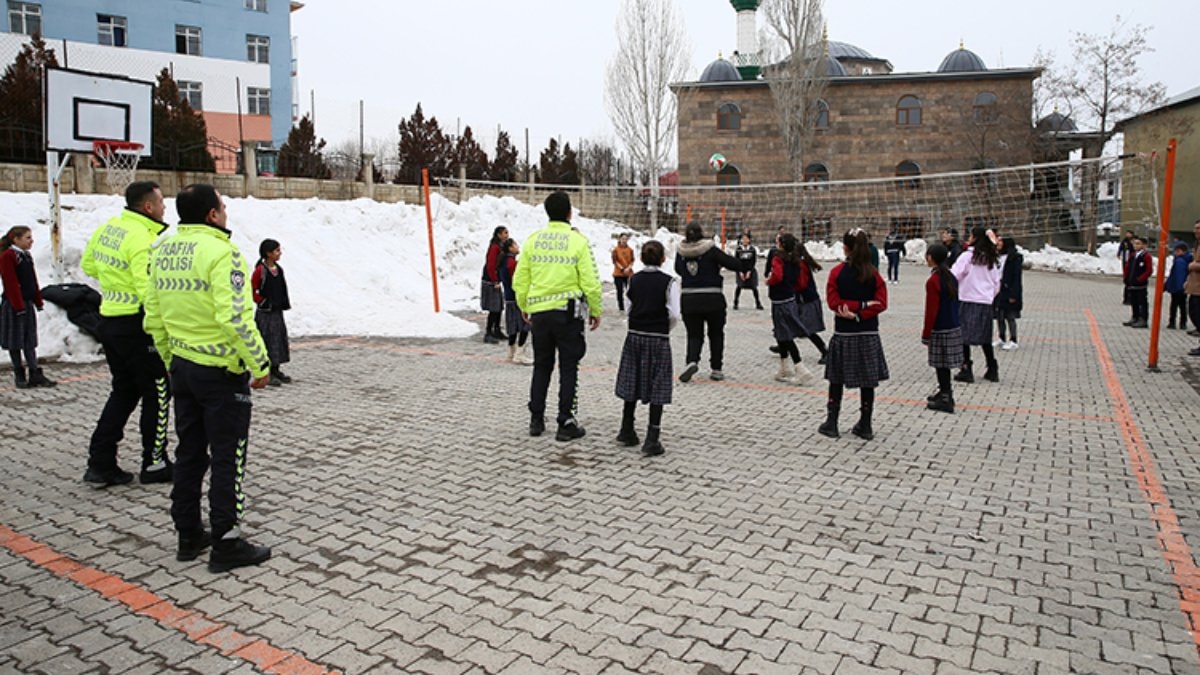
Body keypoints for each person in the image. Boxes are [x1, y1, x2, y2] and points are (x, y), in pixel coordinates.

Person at [143, 184, 272, 573]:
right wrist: (260, 363)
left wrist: (170, 358)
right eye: (222, 204)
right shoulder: (222, 252)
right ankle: (226, 541)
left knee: (188, 453)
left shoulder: (162, 249)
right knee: (228, 457)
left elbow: (153, 312)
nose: (226, 208)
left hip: (182, 367)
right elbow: (233, 317)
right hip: (219, 374)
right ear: (212, 215)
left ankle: (188, 533)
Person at [81, 181, 171, 487]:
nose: (164, 207)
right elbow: (147, 290)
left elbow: (89, 264)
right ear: (147, 207)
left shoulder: (110, 228)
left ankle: (100, 461)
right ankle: (155, 462)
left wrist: (114, 282)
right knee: (158, 391)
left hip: (110, 321)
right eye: (160, 202)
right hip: (137, 325)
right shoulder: (143, 240)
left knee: (123, 391)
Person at [513, 191, 602, 441]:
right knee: (569, 366)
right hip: (568, 314)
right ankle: (566, 421)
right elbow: (591, 281)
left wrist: (524, 305)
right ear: (569, 213)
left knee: (542, 365)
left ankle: (536, 418)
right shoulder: (578, 242)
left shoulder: (533, 241)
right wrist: (595, 310)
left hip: (540, 314)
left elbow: (520, 279)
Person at [819, 229, 888, 440]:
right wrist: (863, 308)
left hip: (844, 333)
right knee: (868, 381)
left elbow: (834, 303)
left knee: (836, 379)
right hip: (867, 332)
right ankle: (865, 424)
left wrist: (853, 312)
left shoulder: (837, 272)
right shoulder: (874, 273)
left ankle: (832, 422)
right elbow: (880, 304)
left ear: (845, 247)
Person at [615, 240, 680, 457]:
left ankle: (626, 429)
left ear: (641, 258)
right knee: (658, 383)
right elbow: (674, 314)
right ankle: (652, 438)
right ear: (663, 259)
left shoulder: (634, 280)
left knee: (631, 378)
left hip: (635, 335)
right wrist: (664, 329)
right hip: (658, 337)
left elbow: (629, 307)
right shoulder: (669, 282)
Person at [675, 222, 745, 382]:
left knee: (693, 334)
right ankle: (716, 368)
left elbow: (678, 269)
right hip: (713, 298)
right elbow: (734, 264)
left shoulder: (681, 252)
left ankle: (692, 361)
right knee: (716, 334)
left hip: (689, 299)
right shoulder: (710, 249)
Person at [0, 226, 55, 389]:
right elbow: (11, 283)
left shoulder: (26, 256)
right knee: (15, 340)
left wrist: (37, 300)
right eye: (27, 238)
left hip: (26, 302)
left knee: (29, 340)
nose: (31, 241)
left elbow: (32, 280)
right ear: (16, 239)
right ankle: (19, 373)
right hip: (14, 304)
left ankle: (34, 372)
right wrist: (18, 305)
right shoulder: (8, 256)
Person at [951, 227, 1003, 383]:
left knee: (964, 336)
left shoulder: (967, 256)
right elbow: (996, 282)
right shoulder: (991, 258)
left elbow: (955, 274)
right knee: (984, 336)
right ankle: (992, 367)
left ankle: (966, 368)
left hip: (967, 298)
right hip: (985, 301)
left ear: (973, 237)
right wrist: (989, 296)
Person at [766, 234, 816, 385]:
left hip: (780, 301)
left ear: (781, 244)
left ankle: (801, 368)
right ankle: (784, 367)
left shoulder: (777, 258)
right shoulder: (795, 260)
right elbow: (799, 282)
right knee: (781, 334)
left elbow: (777, 276)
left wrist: (769, 281)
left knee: (786, 336)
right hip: (790, 299)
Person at [922, 244, 963, 413]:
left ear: (931, 257)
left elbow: (931, 309)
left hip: (940, 326)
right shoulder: (950, 276)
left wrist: (926, 333)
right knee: (944, 363)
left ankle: (946, 397)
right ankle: (945, 391)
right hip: (953, 323)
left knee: (940, 363)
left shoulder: (934, 280)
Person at [251, 238, 292, 386]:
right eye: (277, 251)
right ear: (268, 253)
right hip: (265, 313)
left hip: (276, 311)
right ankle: (266, 371)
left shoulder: (278, 270)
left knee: (277, 340)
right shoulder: (260, 271)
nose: (279, 253)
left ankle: (276, 369)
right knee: (266, 340)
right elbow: (252, 289)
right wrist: (262, 301)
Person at [499, 237, 531, 365]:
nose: (518, 247)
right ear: (510, 248)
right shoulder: (512, 264)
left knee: (512, 325)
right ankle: (520, 353)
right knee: (525, 325)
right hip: (516, 297)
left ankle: (511, 351)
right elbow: (518, 281)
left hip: (508, 297)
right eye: (515, 245)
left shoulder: (502, 262)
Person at [994, 236, 1024, 350]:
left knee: (1010, 316)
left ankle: (1013, 339)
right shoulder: (998, 256)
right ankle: (1001, 338)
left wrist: (1013, 294)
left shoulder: (1014, 258)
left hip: (1009, 289)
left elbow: (1016, 278)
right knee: (999, 315)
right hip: (998, 289)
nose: (998, 243)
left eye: (1001, 241)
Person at [480, 226, 508, 343]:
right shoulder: (494, 247)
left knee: (499, 307)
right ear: (498, 234)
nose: (507, 235)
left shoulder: (501, 246)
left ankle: (497, 329)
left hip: (496, 279)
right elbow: (491, 264)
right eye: (505, 233)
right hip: (490, 280)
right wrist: (495, 280)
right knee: (493, 307)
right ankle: (488, 332)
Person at [1122, 237, 1152, 329]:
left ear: (1143, 245)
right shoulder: (1132, 255)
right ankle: (1135, 317)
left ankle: (1143, 319)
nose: (1136, 245)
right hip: (1131, 283)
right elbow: (1127, 267)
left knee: (1142, 302)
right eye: (1135, 243)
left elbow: (1149, 270)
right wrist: (1126, 277)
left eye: (1138, 244)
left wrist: (1140, 279)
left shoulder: (1146, 256)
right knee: (1134, 301)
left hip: (1140, 285)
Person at [733, 232, 763, 310]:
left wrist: (749, 271)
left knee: (754, 287)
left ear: (749, 240)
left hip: (750, 270)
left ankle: (758, 303)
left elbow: (753, 261)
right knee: (739, 286)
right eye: (743, 239)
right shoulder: (738, 250)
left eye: (746, 239)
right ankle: (735, 302)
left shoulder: (752, 250)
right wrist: (740, 272)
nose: (745, 240)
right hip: (741, 270)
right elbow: (736, 261)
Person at [1166, 243, 1191, 330]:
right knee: (1183, 306)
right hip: (1182, 287)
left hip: (1177, 287)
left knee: (1174, 305)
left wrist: (1171, 286)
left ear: (1182, 251)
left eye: (1177, 251)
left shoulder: (1179, 261)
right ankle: (1183, 322)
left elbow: (1177, 275)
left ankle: (1172, 322)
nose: (1175, 253)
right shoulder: (1186, 260)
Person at [611, 233, 635, 313]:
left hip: (628, 273)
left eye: (626, 239)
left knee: (630, 290)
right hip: (618, 273)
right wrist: (622, 268)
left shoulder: (630, 250)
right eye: (623, 239)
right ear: (619, 239)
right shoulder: (616, 250)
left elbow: (632, 260)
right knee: (620, 291)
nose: (624, 240)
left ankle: (631, 305)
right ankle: (621, 307)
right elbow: (615, 261)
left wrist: (628, 268)